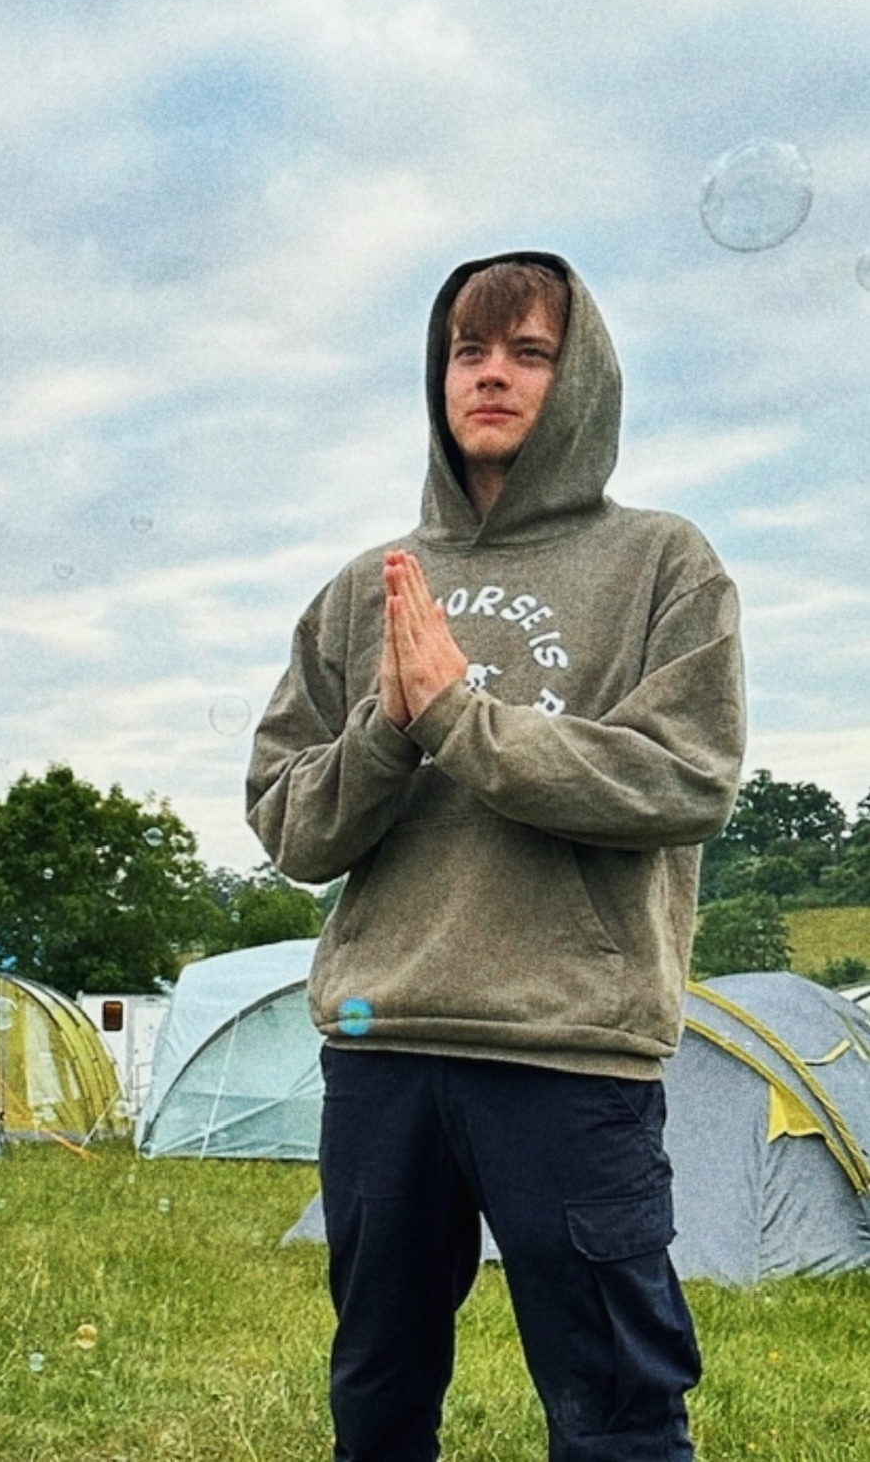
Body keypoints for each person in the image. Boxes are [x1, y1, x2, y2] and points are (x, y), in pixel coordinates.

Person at [246, 253, 746, 1462]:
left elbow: (684, 776)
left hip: (566, 1046)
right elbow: (289, 823)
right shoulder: (365, 587)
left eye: (527, 352)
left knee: (614, 1404)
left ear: (577, 379)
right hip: (385, 1046)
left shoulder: (662, 564)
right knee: (375, 1394)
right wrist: (387, 723)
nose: (491, 374)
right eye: (468, 351)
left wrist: (459, 716)